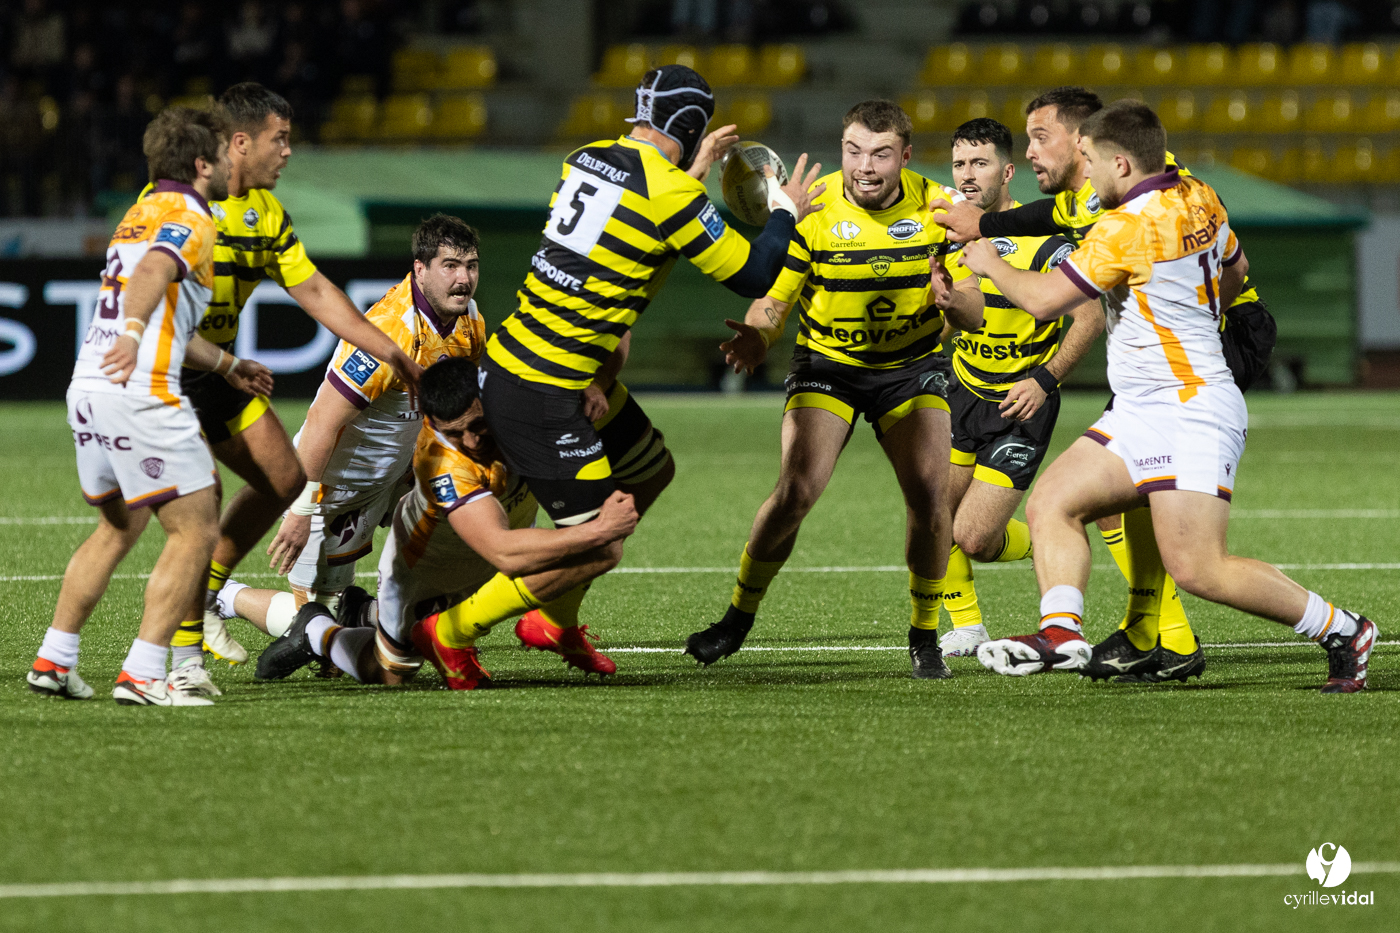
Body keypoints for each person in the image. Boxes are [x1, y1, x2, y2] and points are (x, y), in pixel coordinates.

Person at [957, 100, 1378, 694]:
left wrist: (987, 261)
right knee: (1052, 501)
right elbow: (1235, 270)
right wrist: (1193, 317)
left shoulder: (1125, 226)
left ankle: (1342, 629)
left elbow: (1044, 300)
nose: (1088, 174)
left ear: (1122, 164)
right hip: (1144, 407)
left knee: (1201, 568)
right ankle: (1060, 634)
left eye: (1092, 162)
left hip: (1189, 409)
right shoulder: (1197, 192)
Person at [416, 63, 823, 664]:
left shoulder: (587, 156)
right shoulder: (672, 192)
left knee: (651, 470)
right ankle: (451, 631)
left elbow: (645, 208)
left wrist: (690, 171)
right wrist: (786, 209)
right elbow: (755, 274)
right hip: (542, 387)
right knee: (601, 545)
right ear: (690, 127)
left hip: (542, 363)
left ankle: (552, 623)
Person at [930, 85, 1277, 682]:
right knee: (1108, 502)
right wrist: (985, 221)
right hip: (1170, 356)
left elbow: (1052, 300)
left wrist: (1190, 315)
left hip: (1197, 357)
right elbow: (1049, 214)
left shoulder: (1133, 203)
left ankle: (1168, 633)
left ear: (1084, 140)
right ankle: (1152, 630)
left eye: (1042, 137)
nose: (1034, 151)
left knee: (1169, 534)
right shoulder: (1114, 190)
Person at [688, 99, 985, 678]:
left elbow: (974, 311)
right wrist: (757, 335)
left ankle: (924, 634)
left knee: (929, 498)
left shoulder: (940, 209)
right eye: (852, 152)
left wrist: (956, 299)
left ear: (904, 156)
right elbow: (775, 299)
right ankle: (737, 618)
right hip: (829, 365)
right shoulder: (815, 209)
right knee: (796, 490)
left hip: (910, 368)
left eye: (879, 154)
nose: (864, 167)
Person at [159, 82, 423, 679]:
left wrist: (390, 348)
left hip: (214, 370)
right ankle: (164, 662)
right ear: (241, 142)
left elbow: (316, 292)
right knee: (190, 514)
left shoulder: (264, 213)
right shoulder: (179, 205)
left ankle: (206, 597)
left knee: (284, 478)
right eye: (281, 139)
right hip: (162, 373)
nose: (289, 151)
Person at [27, 107, 273, 706]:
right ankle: (144, 672)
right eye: (220, 152)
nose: (229, 164)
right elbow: (158, 275)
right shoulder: (190, 214)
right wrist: (134, 332)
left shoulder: (137, 215)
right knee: (197, 529)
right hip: (140, 390)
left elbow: (167, 311)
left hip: (90, 386)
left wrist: (227, 365)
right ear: (201, 163)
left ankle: (54, 660)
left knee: (120, 524)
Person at [253, 357, 640, 689]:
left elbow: (612, 334)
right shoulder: (445, 464)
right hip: (426, 570)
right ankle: (318, 631)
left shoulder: (518, 405)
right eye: (455, 433)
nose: (471, 442)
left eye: (477, 425)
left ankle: (369, 615)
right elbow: (506, 554)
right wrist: (599, 529)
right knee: (392, 674)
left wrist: (596, 384)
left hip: (489, 556)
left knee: (593, 553)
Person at [211, 215, 487, 677]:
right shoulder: (390, 332)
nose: (463, 278)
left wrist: (410, 476)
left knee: (447, 563)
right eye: (450, 265)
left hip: (382, 482)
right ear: (420, 270)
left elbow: (445, 406)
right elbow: (322, 420)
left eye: (472, 265)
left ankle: (363, 612)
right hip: (328, 488)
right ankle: (221, 596)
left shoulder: (469, 320)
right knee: (314, 629)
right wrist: (301, 508)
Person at [936, 118, 1102, 659]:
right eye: (959, 164)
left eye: (979, 163)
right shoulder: (945, 238)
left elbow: (1090, 318)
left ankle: (1054, 540)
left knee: (977, 539)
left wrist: (1044, 379)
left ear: (1007, 171)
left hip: (1021, 403)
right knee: (931, 516)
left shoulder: (1045, 239)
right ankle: (966, 625)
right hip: (959, 390)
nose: (967, 175)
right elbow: (951, 322)